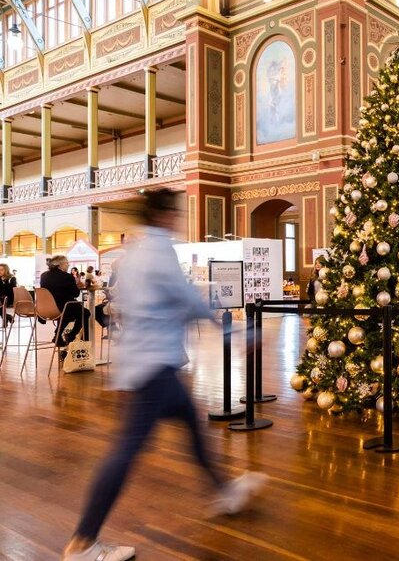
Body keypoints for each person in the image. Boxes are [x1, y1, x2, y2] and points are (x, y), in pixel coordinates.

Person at [62, 189, 267, 561]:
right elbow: (187, 299)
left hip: (149, 363)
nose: (178, 218)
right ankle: (83, 542)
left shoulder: (137, 252)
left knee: (191, 424)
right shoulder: (159, 252)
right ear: (163, 215)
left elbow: (148, 303)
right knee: (126, 450)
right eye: (175, 212)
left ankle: (224, 490)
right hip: (153, 366)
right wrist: (233, 333)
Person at [40, 255, 91, 349]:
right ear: (60, 265)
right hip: (64, 307)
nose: (68, 265)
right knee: (86, 313)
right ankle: (71, 335)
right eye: (67, 263)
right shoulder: (67, 277)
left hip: (46, 309)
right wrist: (77, 285)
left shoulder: (43, 275)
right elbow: (75, 294)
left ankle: (58, 335)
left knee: (69, 312)